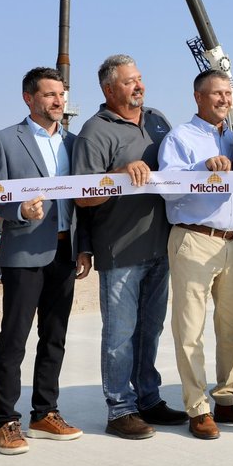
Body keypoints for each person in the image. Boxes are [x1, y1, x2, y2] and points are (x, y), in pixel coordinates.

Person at [73, 55, 186, 440]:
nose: (138, 87)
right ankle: (120, 408)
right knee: (120, 335)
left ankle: (148, 398)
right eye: (128, 82)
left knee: (150, 331)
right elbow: (83, 197)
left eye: (139, 79)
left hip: (159, 245)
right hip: (120, 250)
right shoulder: (94, 131)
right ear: (108, 89)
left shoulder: (157, 120)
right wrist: (117, 177)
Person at [0, 67, 90, 455]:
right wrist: (18, 211)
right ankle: (5, 420)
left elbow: (82, 200)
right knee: (14, 338)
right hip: (25, 252)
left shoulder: (76, 143)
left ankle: (45, 412)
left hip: (65, 249)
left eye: (61, 94)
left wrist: (85, 246)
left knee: (55, 337)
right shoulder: (3, 140)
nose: (58, 101)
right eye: (49, 95)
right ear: (29, 98)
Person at [158, 69, 233, 440]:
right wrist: (202, 168)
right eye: (216, 94)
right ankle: (197, 407)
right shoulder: (180, 138)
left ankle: (227, 400)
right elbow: (166, 188)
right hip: (194, 239)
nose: (224, 100)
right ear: (198, 97)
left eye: (227, 93)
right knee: (189, 329)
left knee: (232, 328)